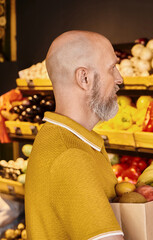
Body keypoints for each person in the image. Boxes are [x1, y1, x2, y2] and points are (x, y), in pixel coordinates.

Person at [25, 30, 125, 240]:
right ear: (84, 78)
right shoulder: (70, 156)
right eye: (112, 68)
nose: (120, 79)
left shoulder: (63, 139)